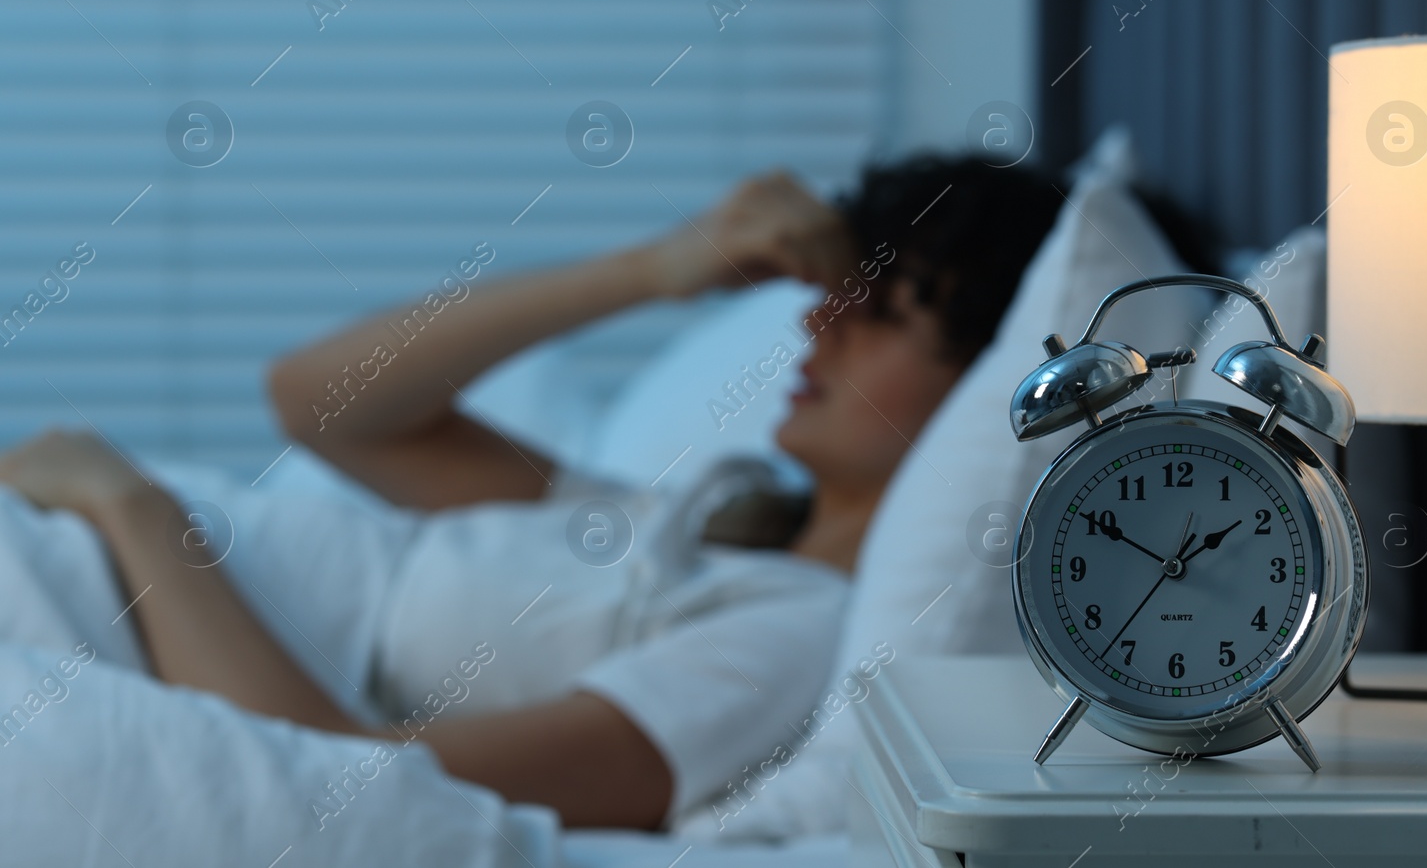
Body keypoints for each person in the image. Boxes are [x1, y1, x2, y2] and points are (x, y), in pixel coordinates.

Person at [0, 153, 1062, 832]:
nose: (815, 326)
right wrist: (655, 267)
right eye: (835, 297)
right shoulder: (694, 526)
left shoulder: (789, 637)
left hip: (95, 600)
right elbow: (320, 399)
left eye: (883, 312)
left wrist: (135, 508)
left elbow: (326, 775)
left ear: (981, 381)